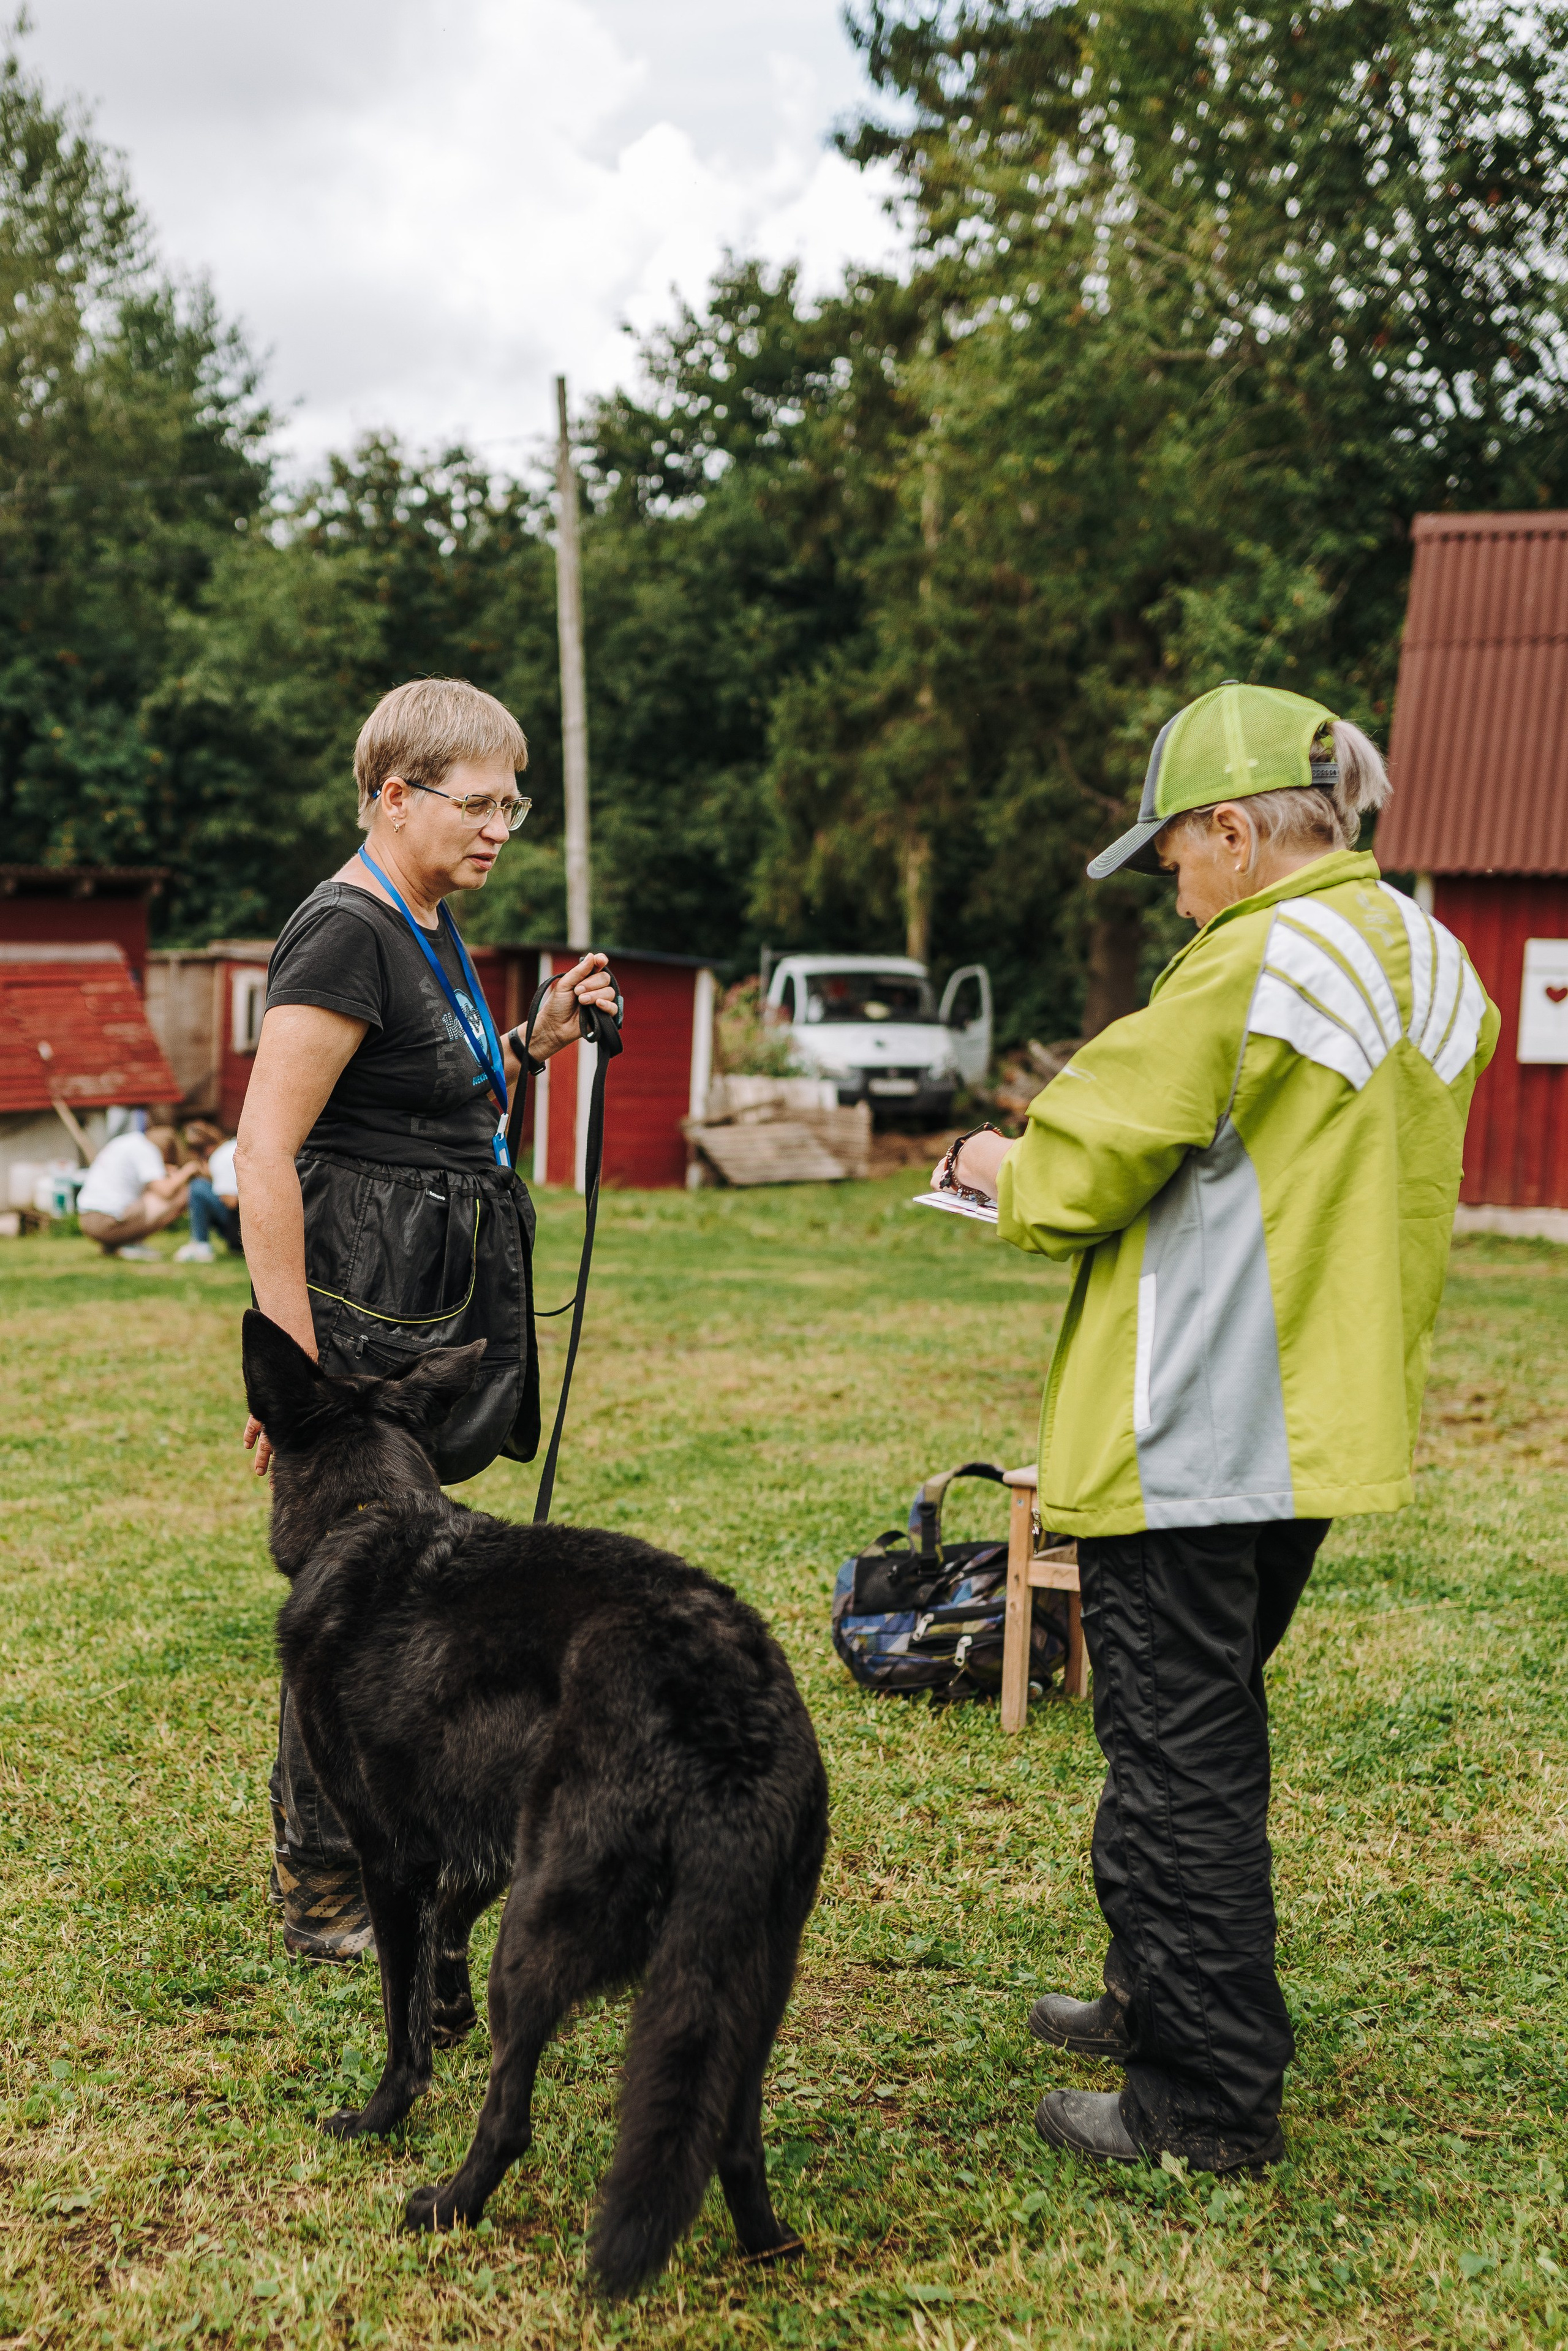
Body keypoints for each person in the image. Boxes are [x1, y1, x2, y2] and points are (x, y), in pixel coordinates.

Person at [933, 682, 1499, 2173]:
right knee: (1184, 1725)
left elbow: (1067, 1178)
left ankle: (1201, 2103)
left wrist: (982, 1153)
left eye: (1170, 854)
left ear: (1236, 832)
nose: (1169, 889)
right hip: (1310, 1421)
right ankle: (1145, 1993)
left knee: (1180, 1758)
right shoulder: (1431, 962)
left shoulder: (1246, 962)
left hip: (1187, 1416)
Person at [236, 674, 619, 1963]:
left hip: (422, 1305)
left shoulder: (428, 921)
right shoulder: (345, 927)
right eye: (478, 800)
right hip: (353, 1322)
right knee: (357, 1595)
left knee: (408, 1588)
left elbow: (432, 1098)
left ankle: (395, 1835)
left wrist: (539, 1038)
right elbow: (265, 1146)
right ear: (394, 796)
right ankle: (323, 1880)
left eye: (514, 801)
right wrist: (292, 1373)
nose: (500, 824)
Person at [77, 1124, 202, 1258]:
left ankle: (113, 1246)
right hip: (107, 1222)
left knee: (144, 1196)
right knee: (184, 1193)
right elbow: (166, 1191)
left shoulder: (126, 1142)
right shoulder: (147, 1149)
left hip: (86, 1218)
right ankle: (132, 1244)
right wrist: (188, 1171)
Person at [175, 1122, 241, 1262]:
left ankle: (200, 1244)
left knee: (198, 1187)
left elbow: (231, 1202)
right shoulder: (234, 1146)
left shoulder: (219, 1159)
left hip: (239, 1227)